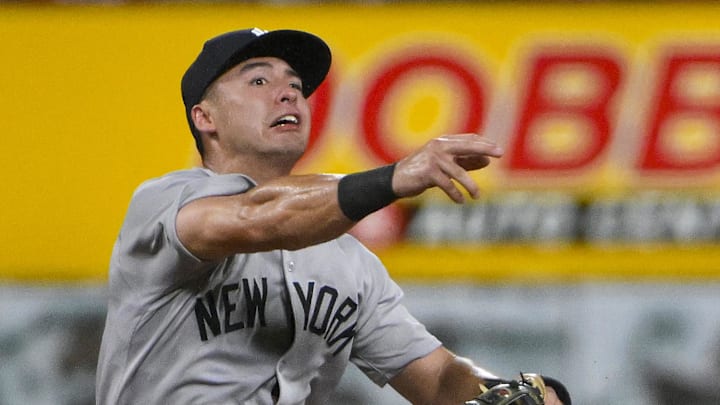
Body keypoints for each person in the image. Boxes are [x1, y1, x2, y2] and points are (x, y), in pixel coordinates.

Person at [95, 28, 568, 405]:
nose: (287, 95)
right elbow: (260, 218)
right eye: (259, 81)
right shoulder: (164, 204)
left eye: (296, 85)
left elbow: (438, 377)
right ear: (205, 118)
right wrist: (393, 178)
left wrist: (506, 394)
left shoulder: (349, 264)